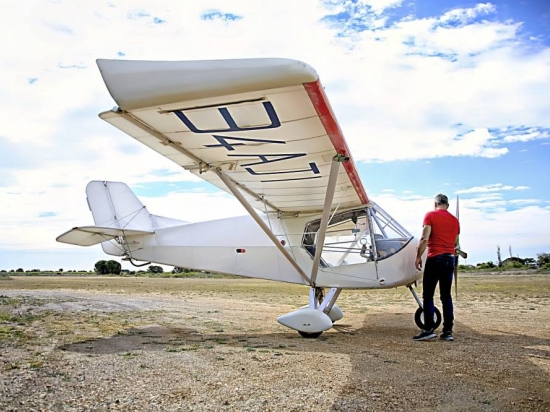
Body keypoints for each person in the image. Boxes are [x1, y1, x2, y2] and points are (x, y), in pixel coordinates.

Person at [413, 194, 460, 342]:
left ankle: (428, 329)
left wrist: (418, 256)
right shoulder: (455, 221)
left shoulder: (430, 215)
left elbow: (424, 238)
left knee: (428, 295)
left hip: (435, 258)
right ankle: (447, 331)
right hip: (450, 260)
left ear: (435, 203)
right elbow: (455, 243)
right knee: (446, 296)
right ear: (448, 205)